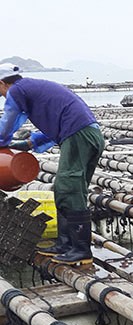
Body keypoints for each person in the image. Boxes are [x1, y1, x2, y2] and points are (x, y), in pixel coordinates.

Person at [0, 64, 105, 265]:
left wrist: (2, 141)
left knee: (68, 188)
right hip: (87, 135)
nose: (3, 97)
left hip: (78, 136)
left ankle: (81, 250)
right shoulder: (33, 88)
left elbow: (9, 121)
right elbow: (56, 120)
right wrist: (30, 143)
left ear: (2, 83)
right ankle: (65, 244)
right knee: (68, 188)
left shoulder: (17, 90)